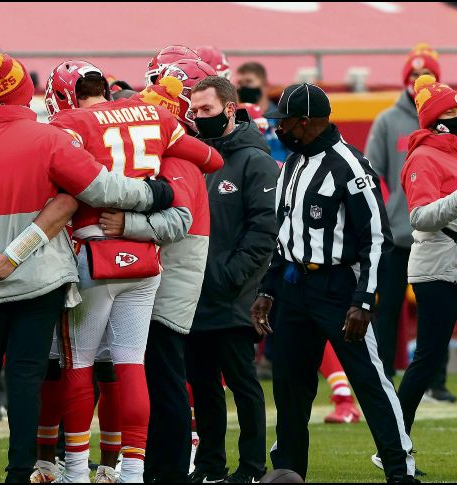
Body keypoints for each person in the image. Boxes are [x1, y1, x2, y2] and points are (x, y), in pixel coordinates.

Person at [0, 52, 177, 484]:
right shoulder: (47, 139)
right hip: (38, 278)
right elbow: (97, 186)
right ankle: (28, 470)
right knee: (31, 378)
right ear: (23, 90)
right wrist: (152, 194)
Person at [41, 61, 222, 484]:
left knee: (80, 364)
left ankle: (74, 471)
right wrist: (156, 165)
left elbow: (63, 175)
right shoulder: (155, 115)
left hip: (94, 250)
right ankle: (133, 471)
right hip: (144, 259)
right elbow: (211, 159)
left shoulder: (69, 121)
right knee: (131, 364)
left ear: (65, 93)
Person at [250, 83, 417, 483]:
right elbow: (283, 235)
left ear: (305, 122)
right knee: (290, 387)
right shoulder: (293, 162)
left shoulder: (350, 166)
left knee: (370, 381)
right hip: (293, 285)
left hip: (337, 288)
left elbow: (378, 238)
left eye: (284, 121)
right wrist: (268, 289)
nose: (279, 129)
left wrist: (363, 299)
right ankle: (290, 471)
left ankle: (401, 472)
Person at [183, 75, 277, 484]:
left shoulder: (254, 160)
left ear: (228, 107)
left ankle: (253, 468)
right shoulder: (193, 156)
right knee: (203, 386)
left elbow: (263, 230)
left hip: (234, 293)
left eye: (207, 110)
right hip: (192, 292)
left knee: (242, 384)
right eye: (195, 111)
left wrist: (229, 276)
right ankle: (210, 467)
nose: (199, 117)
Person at [366, 43, 457, 402]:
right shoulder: (388, 121)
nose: (417, 83)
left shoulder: (453, 119)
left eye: (426, 77)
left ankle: (435, 383)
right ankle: (386, 377)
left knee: (437, 311)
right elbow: (372, 171)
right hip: (400, 230)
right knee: (388, 307)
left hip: (445, 233)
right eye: (413, 76)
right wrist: (386, 212)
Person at [396, 74, 457, 441]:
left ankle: (393, 440)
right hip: (437, 269)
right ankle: (393, 442)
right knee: (427, 360)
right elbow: (419, 217)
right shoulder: (423, 157)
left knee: (427, 359)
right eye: (454, 112)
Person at [235, 62, 289, 163]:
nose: (243, 88)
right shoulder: (235, 119)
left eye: (248, 82)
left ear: (265, 86)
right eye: (240, 83)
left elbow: (294, 152)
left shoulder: (282, 117)